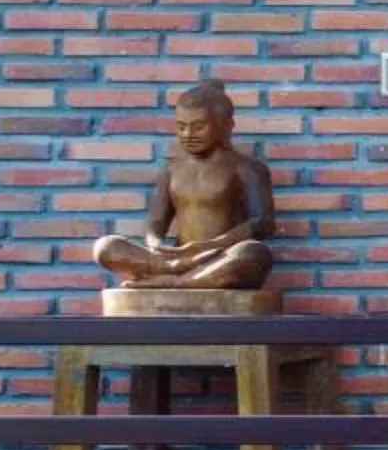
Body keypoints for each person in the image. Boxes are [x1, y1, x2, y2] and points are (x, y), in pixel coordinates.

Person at [92, 80, 277, 291]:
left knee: (255, 254)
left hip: (219, 257)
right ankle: (173, 271)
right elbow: (156, 221)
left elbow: (263, 223)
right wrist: (156, 245)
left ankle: (177, 282)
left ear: (225, 126)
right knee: (106, 246)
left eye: (198, 127)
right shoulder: (172, 169)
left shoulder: (246, 168)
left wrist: (213, 245)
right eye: (181, 127)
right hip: (176, 259)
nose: (188, 135)